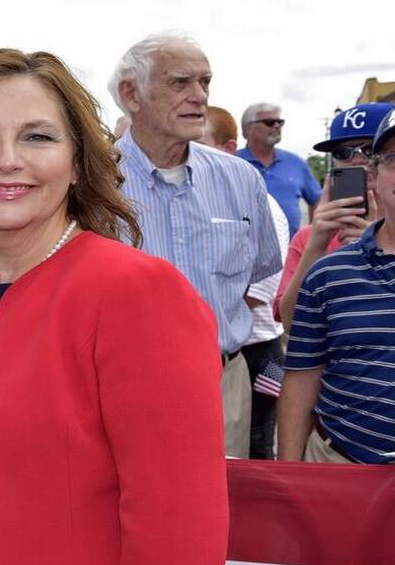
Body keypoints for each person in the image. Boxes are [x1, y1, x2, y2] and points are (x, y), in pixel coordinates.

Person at [0, 48, 227, 565]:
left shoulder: (137, 292)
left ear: (78, 162)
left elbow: (179, 526)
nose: (7, 159)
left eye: (38, 137)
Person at [108, 32, 282, 458]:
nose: (199, 96)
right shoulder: (90, 181)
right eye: (180, 83)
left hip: (222, 386)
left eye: (205, 82)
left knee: (220, 515)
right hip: (116, 388)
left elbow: (249, 279)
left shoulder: (241, 180)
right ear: (131, 94)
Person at [278, 101, 395, 464]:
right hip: (342, 471)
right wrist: (289, 476)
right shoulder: (328, 273)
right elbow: (302, 378)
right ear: (376, 176)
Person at [202, 105, 288, 457]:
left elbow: (258, 291)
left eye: (199, 145)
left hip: (253, 351)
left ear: (227, 149)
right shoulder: (196, 204)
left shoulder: (260, 202)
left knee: (254, 446)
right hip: (212, 350)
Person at [273, 102, 394, 329]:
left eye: (370, 149)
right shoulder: (312, 236)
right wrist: (316, 248)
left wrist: (378, 250)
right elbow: (291, 324)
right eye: (343, 152)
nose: (357, 160)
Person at [237, 102, 321, 238]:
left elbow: (317, 199)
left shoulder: (296, 163)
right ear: (248, 128)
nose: (276, 126)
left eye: (280, 122)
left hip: (290, 254)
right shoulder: (233, 162)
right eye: (270, 122)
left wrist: (311, 237)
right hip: (243, 254)